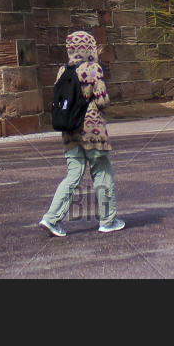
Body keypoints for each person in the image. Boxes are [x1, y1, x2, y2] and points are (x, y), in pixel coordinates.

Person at [40, 30, 124, 236]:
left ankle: (51, 218)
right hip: (91, 129)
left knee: (73, 175)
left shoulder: (62, 71)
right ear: (89, 48)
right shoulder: (93, 69)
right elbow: (102, 100)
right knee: (101, 171)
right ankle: (108, 220)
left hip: (69, 130)